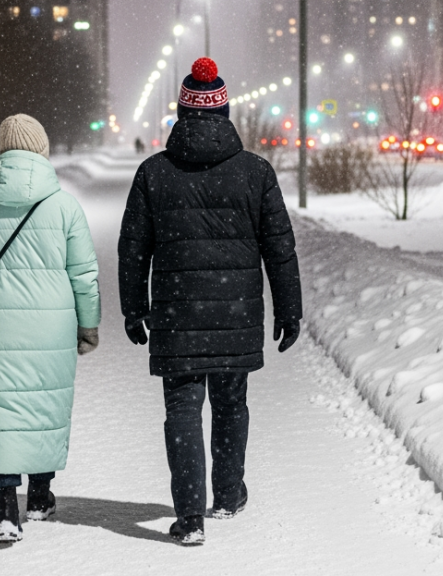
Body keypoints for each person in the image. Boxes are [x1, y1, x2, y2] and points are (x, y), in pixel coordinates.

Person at [117, 57, 303, 546]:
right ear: (223, 113)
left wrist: (132, 307)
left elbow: (133, 247)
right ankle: (226, 494)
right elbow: (279, 246)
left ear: (182, 112)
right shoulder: (255, 172)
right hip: (235, 311)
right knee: (230, 402)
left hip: (177, 313)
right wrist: (289, 309)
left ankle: (190, 517)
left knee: (182, 407)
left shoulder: (154, 172)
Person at [0, 114, 100, 544]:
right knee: (41, 410)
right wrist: (88, 325)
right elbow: (84, 274)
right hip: (51, 326)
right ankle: (40, 495)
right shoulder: (64, 205)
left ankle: (5, 513)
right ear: (42, 149)